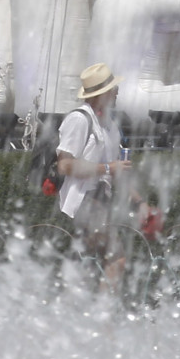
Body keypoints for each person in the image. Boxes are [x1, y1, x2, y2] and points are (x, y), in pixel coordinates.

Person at [54, 62, 138, 292]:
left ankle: (74, 311)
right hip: (85, 201)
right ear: (100, 94)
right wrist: (107, 168)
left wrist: (140, 203)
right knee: (115, 258)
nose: (117, 91)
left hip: (101, 201)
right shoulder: (79, 120)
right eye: (113, 88)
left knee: (85, 263)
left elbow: (117, 171)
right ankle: (103, 320)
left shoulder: (110, 126)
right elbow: (65, 165)